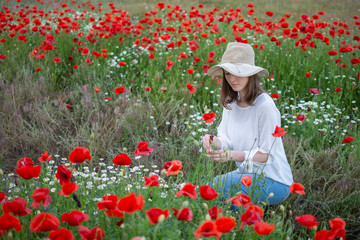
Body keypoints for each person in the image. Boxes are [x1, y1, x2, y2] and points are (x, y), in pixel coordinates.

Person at [202, 42, 293, 206]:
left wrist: (231, 155)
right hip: (247, 174)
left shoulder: (264, 106)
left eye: (238, 73)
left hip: (274, 180)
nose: (232, 78)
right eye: (228, 73)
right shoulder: (231, 104)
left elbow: (267, 155)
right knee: (212, 188)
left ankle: (253, 226)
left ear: (251, 74)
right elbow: (227, 140)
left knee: (218, 190)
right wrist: (214, 141)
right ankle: (244, 226)